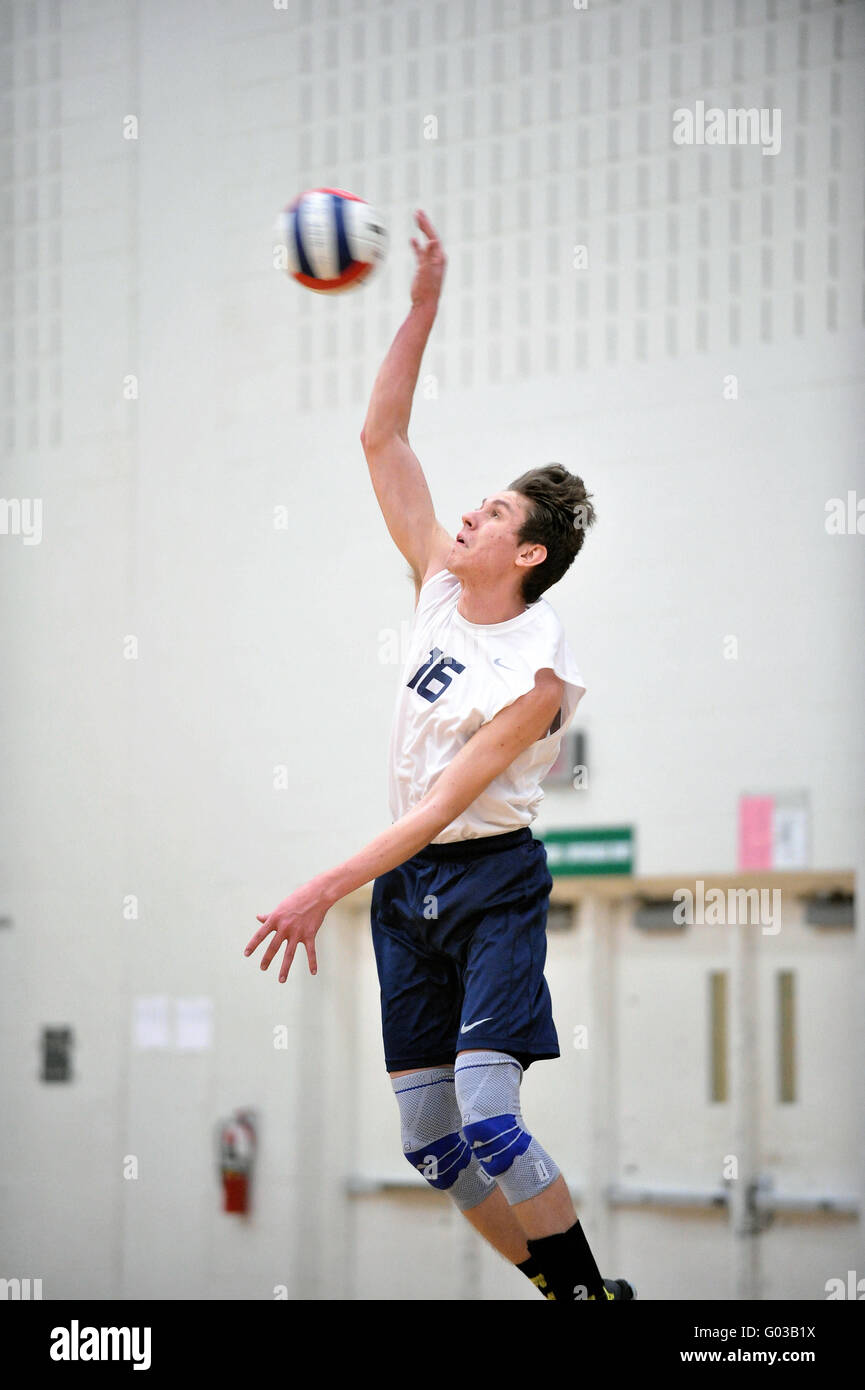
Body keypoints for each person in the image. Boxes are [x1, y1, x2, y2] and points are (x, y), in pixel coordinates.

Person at [245, 209, 635, 1302]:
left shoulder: (536, 678)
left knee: (489, 1112)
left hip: (485, 878)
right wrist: (420, 306)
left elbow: (433, 815)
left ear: (528, 553)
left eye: (492, 512)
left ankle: (596, 1293)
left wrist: (319, 887)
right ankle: (554, 1286)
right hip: (407, 886)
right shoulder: (435, 588)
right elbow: (382, 439)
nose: (464, 514)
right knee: (430, 1140)